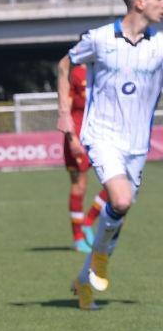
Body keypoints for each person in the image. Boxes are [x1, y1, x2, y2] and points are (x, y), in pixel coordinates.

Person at [58, 0, 163, 310]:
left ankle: (84, 280)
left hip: (136, 144)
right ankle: (99, 259)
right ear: (140, 3)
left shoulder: (159, 42)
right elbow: (64, 63)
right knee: (120, 200)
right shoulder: (100, 39)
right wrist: (63, 113)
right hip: (102, 136)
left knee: (118, 211)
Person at [55, 59, 109, 253]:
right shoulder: (76, 74)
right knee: (79, 186)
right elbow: (66, 107)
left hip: (101, 134)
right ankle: (78, 238)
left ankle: (87, 222)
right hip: (78, 135)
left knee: (118, 182)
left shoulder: (106, 70)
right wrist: (71, 138)